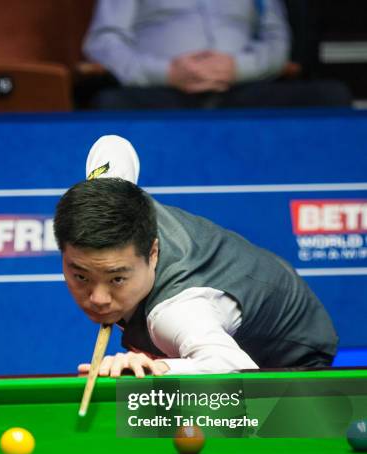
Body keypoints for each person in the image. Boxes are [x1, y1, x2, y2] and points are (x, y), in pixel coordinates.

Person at [53, 135, 338, 377]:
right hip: (246, 291)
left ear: (152, 253)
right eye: (80, 276)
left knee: (196, 422)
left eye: (117, 279)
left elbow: (234, 367)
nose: (98, 298)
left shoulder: (177, 310)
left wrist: (156, 367)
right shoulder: (117, 201)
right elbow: (113, 145)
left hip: (290, 362)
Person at [82, 0, 352, 110]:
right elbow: (103, 41)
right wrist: (167, 73)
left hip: (244, 88)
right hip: (162, 92)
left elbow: (277, 41)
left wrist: (239, 68)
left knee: (332, 96)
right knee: (109, 103)